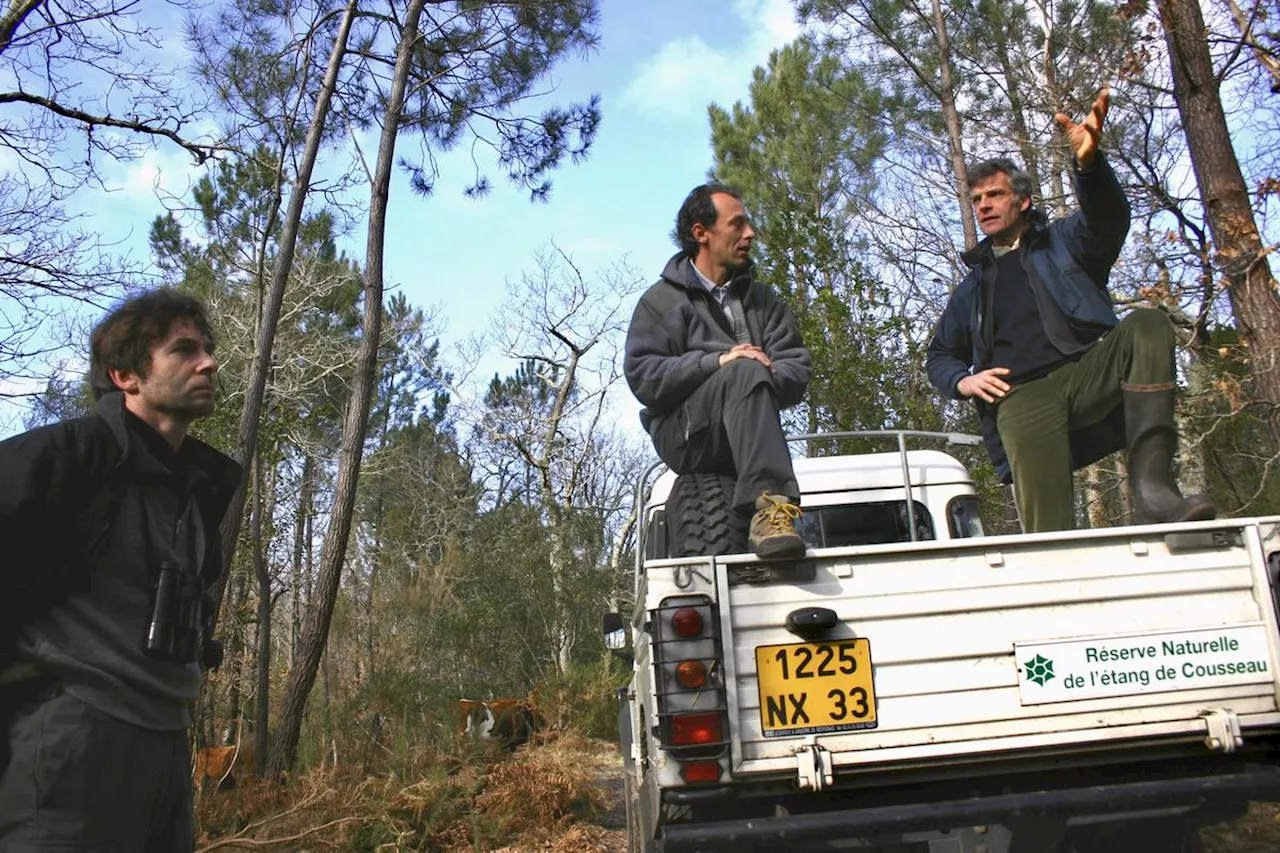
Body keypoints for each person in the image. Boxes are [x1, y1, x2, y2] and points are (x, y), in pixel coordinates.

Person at [0, 290, 242, 852]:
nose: (208, 362)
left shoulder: (199, 489)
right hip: (74, 739)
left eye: (207, 348)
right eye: (184, 350)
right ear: (125, 374)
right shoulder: (71, 456)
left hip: (166, 740)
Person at [926, 85, 1214, 533]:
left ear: (1022, 201)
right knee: (1049, 536)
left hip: (1086, 373)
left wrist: (1090, 166)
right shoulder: (973, 287)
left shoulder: (1063, 243)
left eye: (995, 195)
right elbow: (939, 355)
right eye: (977, 199)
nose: (984, 205)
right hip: (1020, 396)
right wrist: (964, 380)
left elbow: (1107, 219)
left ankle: (1155, 488)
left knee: (1146, 324)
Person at [625, 183, 812, 558]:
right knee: (743, 368)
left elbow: (796, 366)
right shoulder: (661, 301)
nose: (750, 233)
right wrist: (719, 362)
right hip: (686, 436)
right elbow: (643, 375)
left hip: (748, 432)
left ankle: (767, 508)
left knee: (747, 370)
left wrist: (759, 373)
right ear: (702, 233)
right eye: (737, 224)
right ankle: (772, 509)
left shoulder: (763, 301)